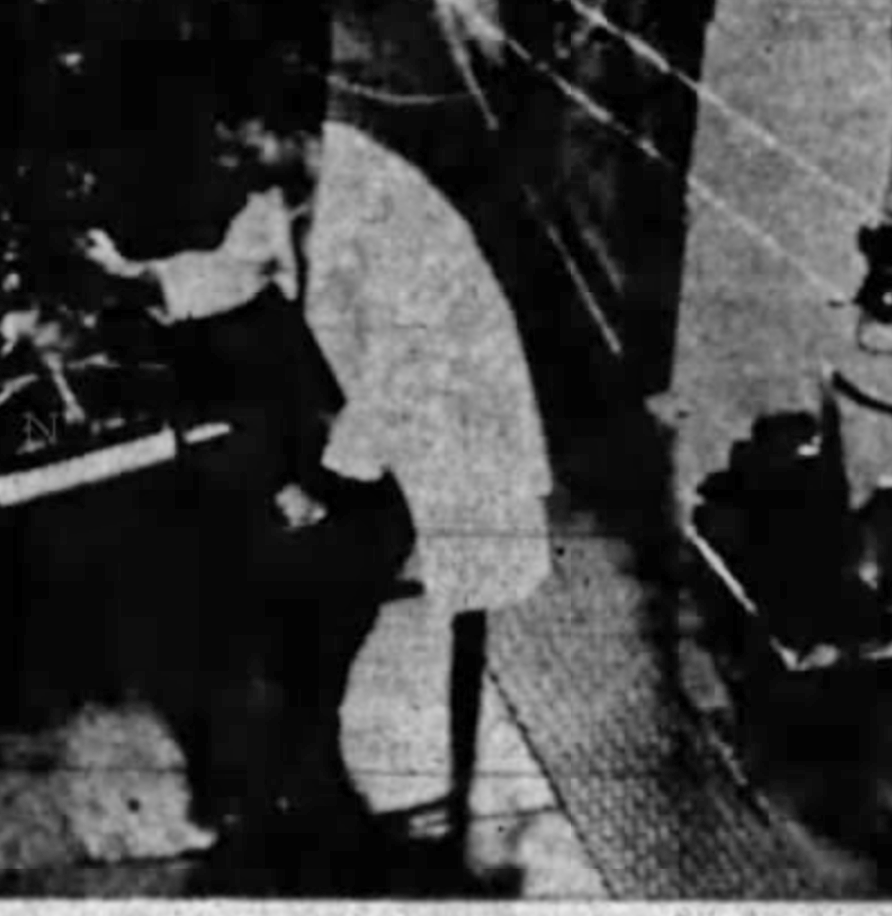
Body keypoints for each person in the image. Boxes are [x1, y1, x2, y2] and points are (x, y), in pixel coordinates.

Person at [84, 55, 554, 856]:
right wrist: (134, 278)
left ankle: (301, 759)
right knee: (244, 539)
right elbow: (233, 269)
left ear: (292, 130)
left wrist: (322, 486)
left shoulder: (383, 207)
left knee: (314, 579)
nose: (228, 161)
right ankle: (291, 744)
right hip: (379, 416)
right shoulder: (290, 188)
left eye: (238, 142)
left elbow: (404, 375)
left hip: (446, 437)